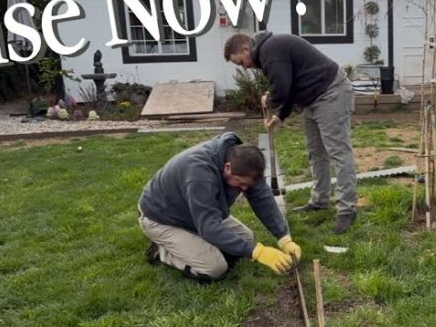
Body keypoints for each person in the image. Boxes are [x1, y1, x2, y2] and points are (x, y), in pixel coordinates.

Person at [224, 30, 358, 233]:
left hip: (331, 93)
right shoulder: (269, 52)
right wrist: (280, 115)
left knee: (338, 152)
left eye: (241, 62)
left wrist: (270, 100)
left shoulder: (271, 49)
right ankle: (320, 200)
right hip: (313, 100)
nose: (245, 67)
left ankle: (347, 209)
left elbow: (283, 87)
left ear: (245, 48)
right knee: (316, 152)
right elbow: (291, 86)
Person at [138, 132, 301, 282]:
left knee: (246, 239)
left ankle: (192, 243)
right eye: (241, 183)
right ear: (227, 167)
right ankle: (161, 252)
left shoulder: (245, 163)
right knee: (215, 268)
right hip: (161, 219)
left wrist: (283, 237)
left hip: (193, 212)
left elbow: (262, 197)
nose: (244, 189)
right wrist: (259, 252)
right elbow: (209, 227)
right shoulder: (199, 174)